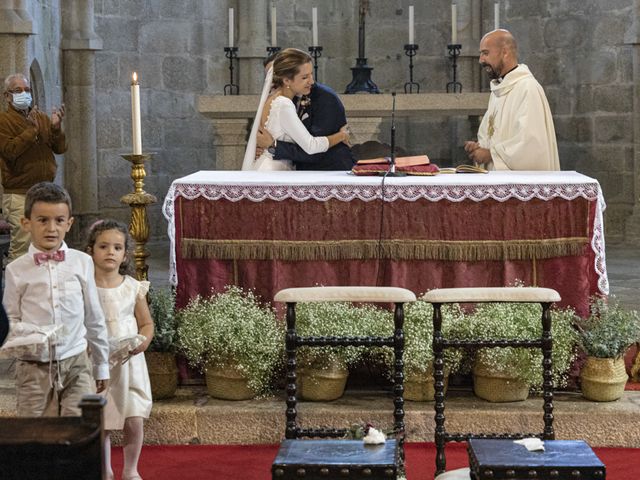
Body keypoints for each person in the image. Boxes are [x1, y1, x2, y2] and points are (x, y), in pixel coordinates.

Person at [2, 182, 110, 417]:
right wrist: (34, 332)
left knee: (77, 432)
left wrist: (101, 366)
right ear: (26, 223)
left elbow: (94, 317)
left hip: (77, 362)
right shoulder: (15, 270)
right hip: (33, 366)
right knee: (35, 436)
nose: (51, 228)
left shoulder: (82, 262)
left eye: (59, 220)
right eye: (42, 220)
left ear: (69, 223)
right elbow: (9, 320)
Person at [85, 219, 154, 480]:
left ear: (125, 254)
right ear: (91, 250)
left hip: (129, 363)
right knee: (102, 421)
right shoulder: (86, 287)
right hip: (98, 362)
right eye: (103, 246)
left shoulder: (132, 287)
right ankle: (104, 470)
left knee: (133, 418)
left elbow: (146, 323)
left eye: (117, 247)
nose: (110, 252)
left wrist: (143, 341)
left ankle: (131, 469)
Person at [464, 30, 560, 171]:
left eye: (485, 53)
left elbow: (530, 146)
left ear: (505, 52)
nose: (480, 60)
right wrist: (480, 146)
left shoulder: (527, 88)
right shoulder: (499, 90)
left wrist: (490, 154)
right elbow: (494, 134)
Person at [241, 48, 350, 171]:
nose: (311, 81)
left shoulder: (324, 97)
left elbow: (314, 152)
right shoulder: (283, 103)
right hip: (274, 170)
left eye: (311, 74)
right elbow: (311, 146)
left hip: (328, 168)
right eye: (304, 77)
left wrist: (272, 146)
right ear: (286, 80)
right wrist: (342, 136)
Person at [0, 74, 67, 261]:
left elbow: (60, 148)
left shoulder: (41, 117)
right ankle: (18, 289)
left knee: (46, 244)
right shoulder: (3, 121)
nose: (24, 93)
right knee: (22, 247)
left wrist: (56, 129)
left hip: (45, 191)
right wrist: (31, 131)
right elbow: (9, 151)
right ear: (7, 96)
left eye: (27, 90)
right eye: (18, 90)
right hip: (19, 193)